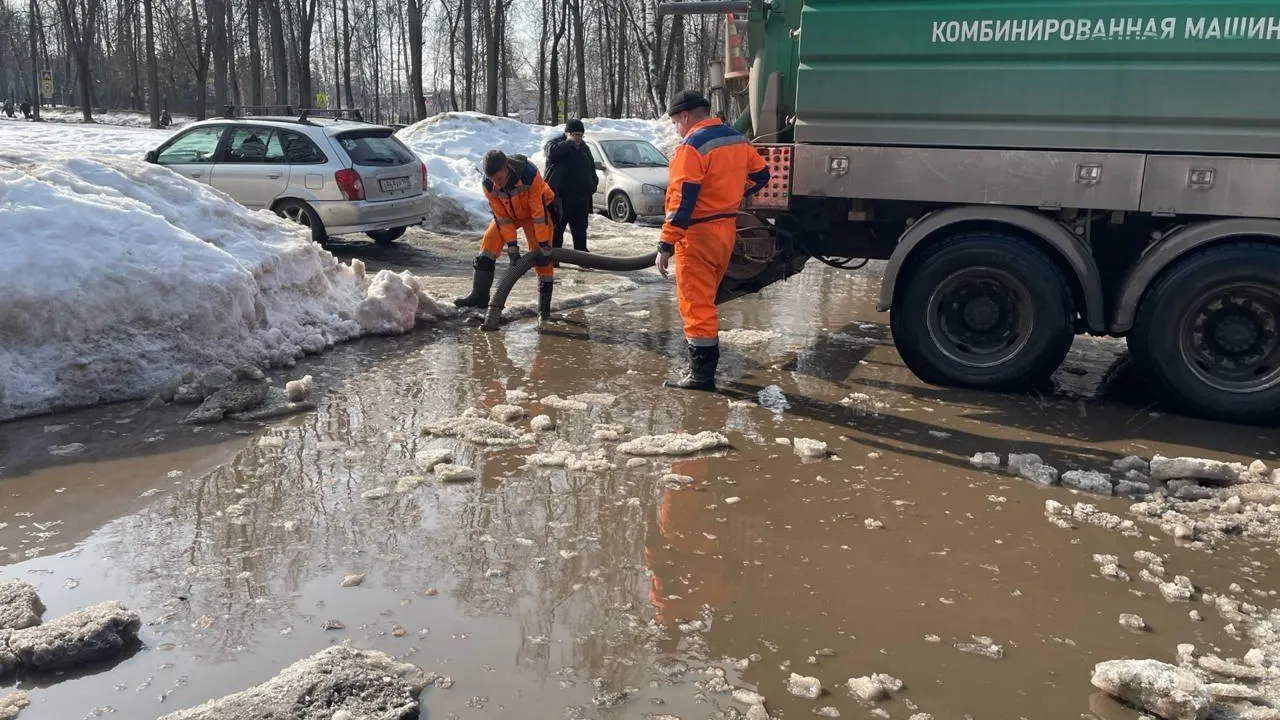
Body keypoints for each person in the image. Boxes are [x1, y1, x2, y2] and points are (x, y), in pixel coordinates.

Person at [656, 89, 770, 391]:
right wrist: (733, 193)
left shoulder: (692, 147)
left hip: (697, 235)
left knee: (697, 305)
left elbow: (682, 201)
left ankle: (701, 376)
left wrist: (665, 244)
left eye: (675, 123)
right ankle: (700, 369)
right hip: (726, 229)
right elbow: (762, 175)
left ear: (684, 116)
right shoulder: (737, 139)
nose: (676, 130)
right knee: (706, 299)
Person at [454, 149, 560, 320]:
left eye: (500, 178)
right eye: (493, 180)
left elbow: (538, 213)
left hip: (535, 213)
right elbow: (502, 219)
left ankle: (544, 310)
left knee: (542, 257)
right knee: (489, 241)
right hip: (510, 213)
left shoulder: (529, 174)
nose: (498, 183)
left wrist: (543, 244)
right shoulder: (489, 185)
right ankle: (479, 296)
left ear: (507, 168)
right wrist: (512, 246)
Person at [542, 119, 597, 261]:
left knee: (580, 231)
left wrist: (592, 184)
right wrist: (568, 143)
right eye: (575, 135)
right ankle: (554, 259)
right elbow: (550, 152)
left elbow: (591, 168)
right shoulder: (556, 144)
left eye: (581, 135)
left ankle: (582, 259)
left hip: (580, 199)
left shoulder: (584, 148)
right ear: (567, 133)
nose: (578, 138)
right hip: (559, 199)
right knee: (557, 232)